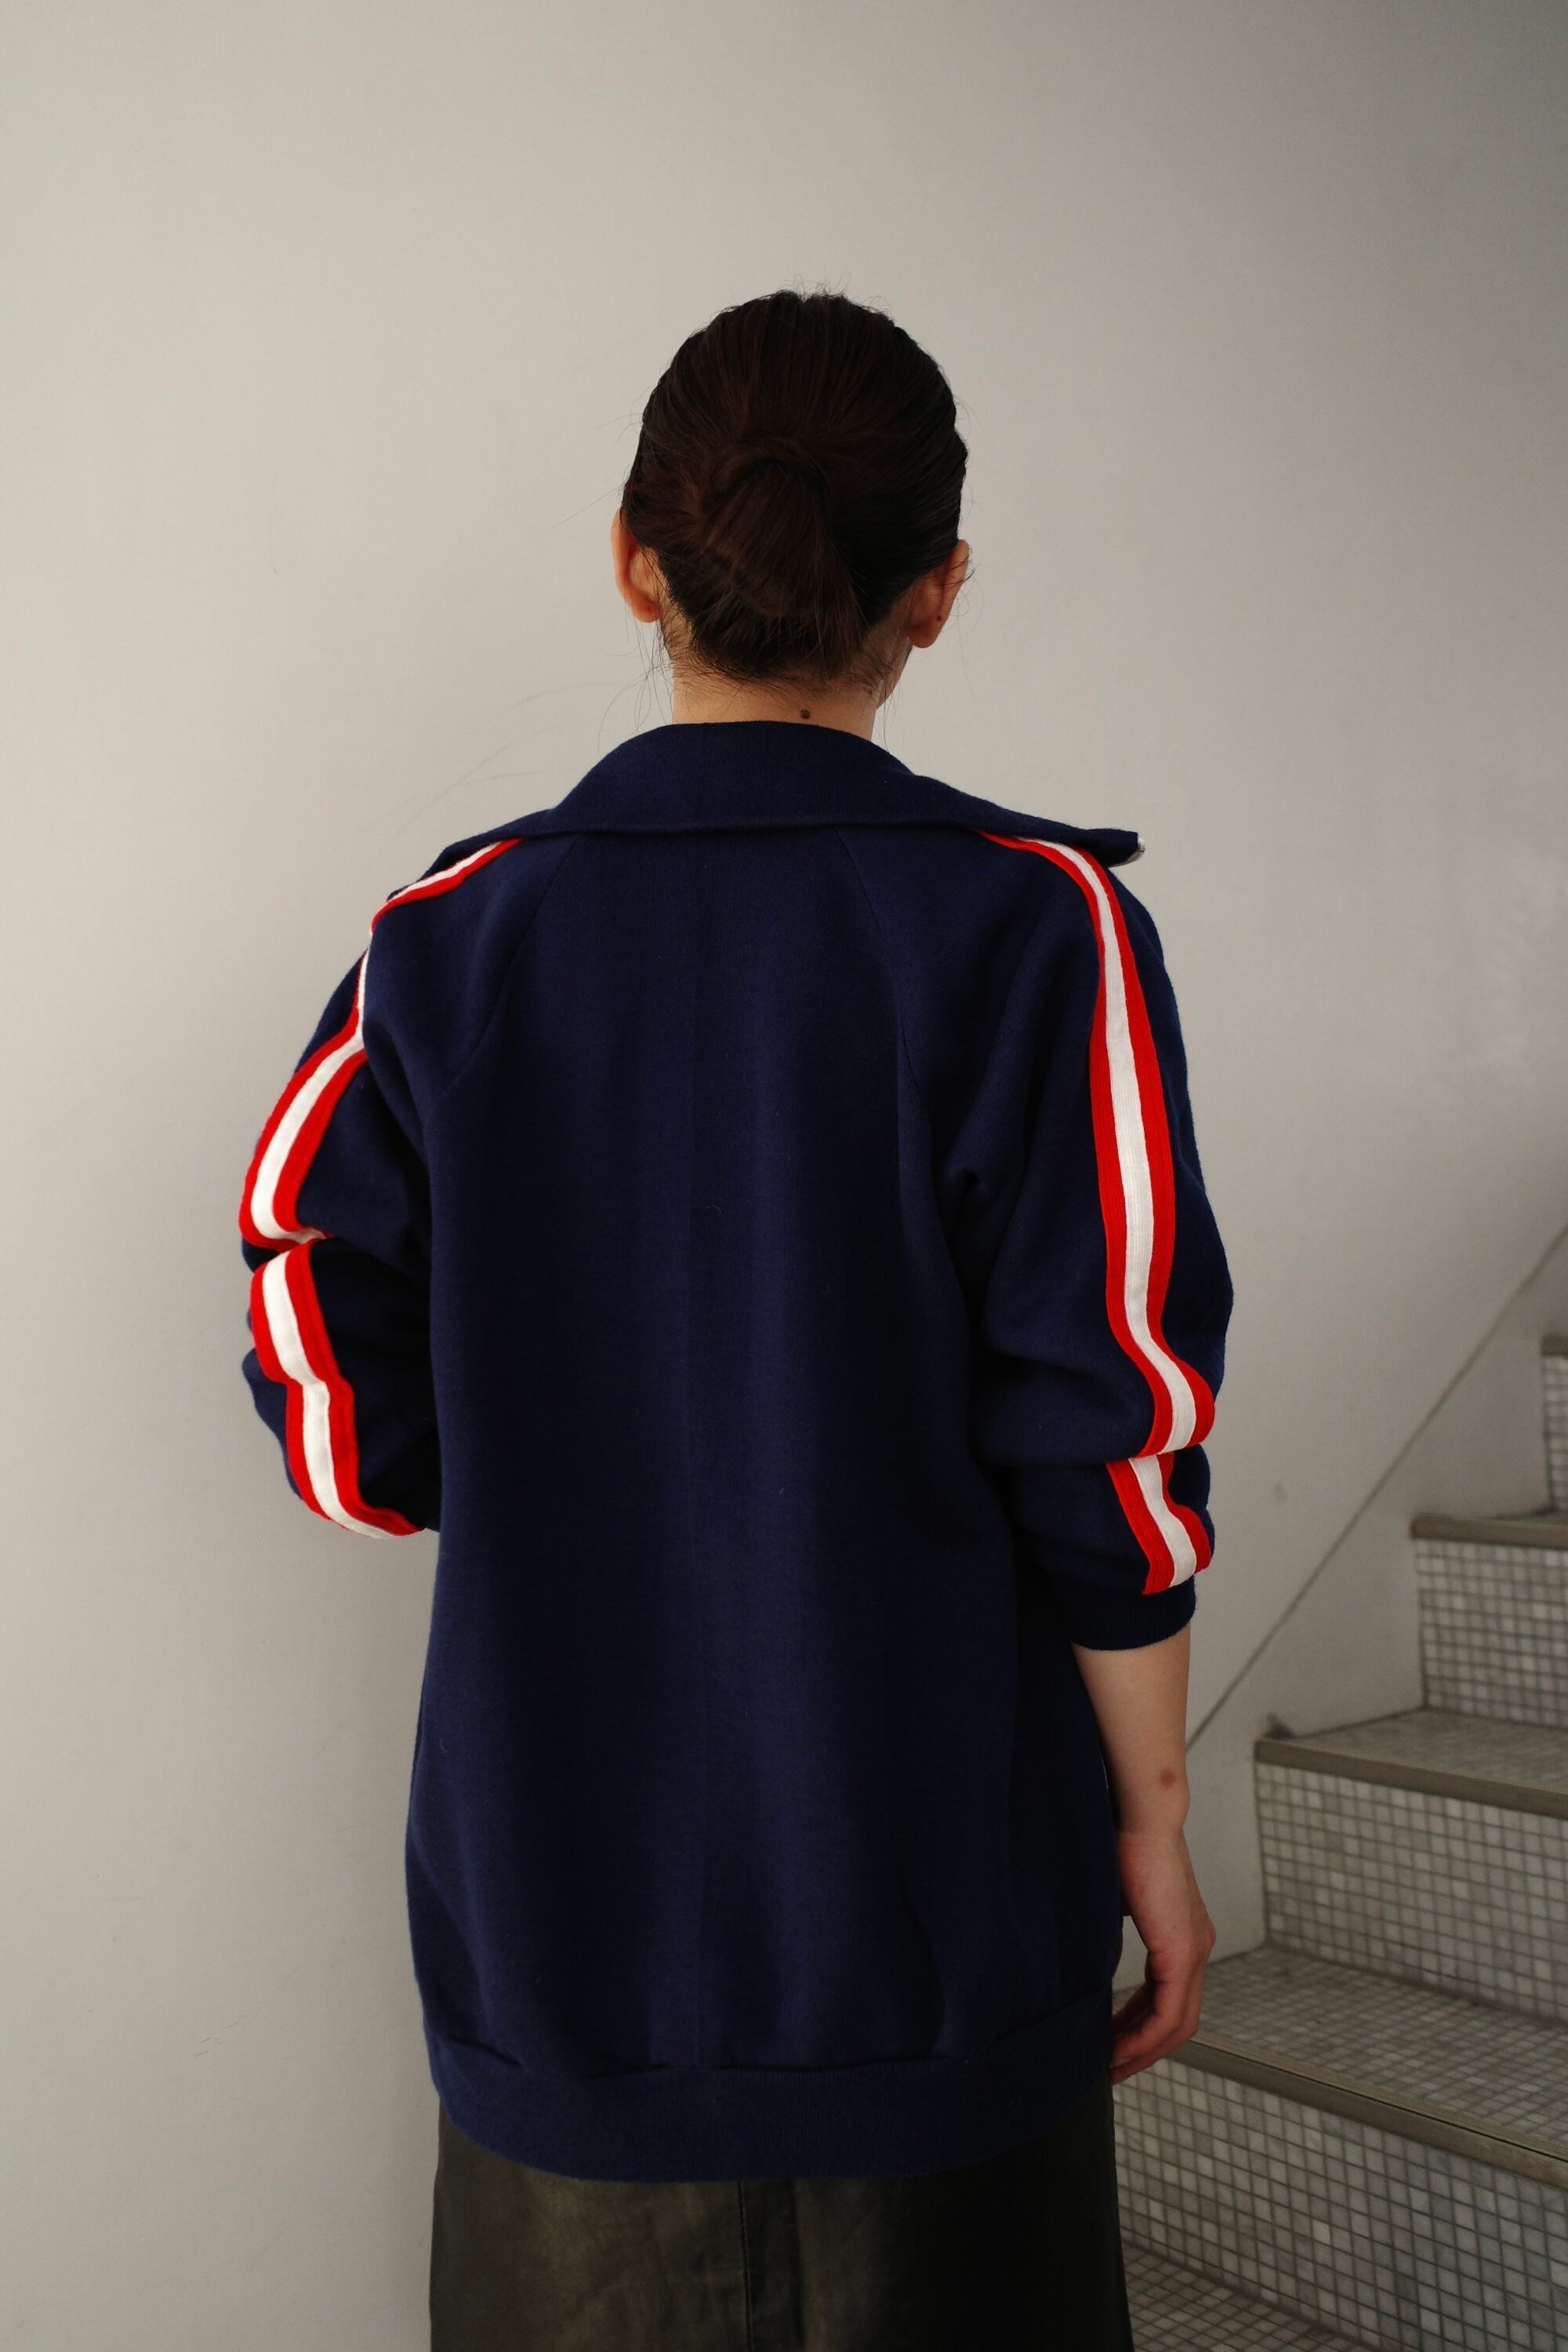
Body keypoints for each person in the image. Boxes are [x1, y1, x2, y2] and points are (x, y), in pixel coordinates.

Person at [238, 285, 1232, 2350]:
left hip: (558, 1950)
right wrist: (1152, 1822)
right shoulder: (1038, 928)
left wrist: (546, 1440)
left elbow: (325, 1377)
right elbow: (1115, 1447)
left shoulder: (444, 943)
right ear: (937, 589)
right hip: (940, 1929)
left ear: (637, 560)